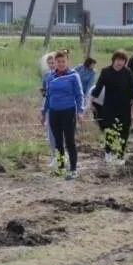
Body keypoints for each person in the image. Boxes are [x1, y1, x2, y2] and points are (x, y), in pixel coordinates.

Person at [42, 50, 85, 180]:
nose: (60, 64)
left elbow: (79, 94)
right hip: (54, 112)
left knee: (70, 140)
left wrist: (80, 111)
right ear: (54, 63)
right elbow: (48, 96)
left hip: (68, 111)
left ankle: (72, 169)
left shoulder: (73, 76)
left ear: (67, 62)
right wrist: (43, 113)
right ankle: (61, 168)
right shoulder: (50, 76)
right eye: (58, 62)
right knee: (58, 141)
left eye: (63, 61)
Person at [90, 50, 133, 164]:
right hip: (110, 105)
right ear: (113, 60)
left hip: (124, 106)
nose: (119, 63)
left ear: (125, 62)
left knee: (124, 130)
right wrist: (90, 102)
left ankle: (120, 155)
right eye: (117, 60)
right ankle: (108, 152)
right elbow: (98, 88)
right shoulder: (106, 71)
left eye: (122, 60)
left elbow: (132, 90)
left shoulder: (127, 72)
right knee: (110, 130)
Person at [39, 54, 58, 166]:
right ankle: (53, 156)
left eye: (53, 63)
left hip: (63, 106)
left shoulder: (67, 75)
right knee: (50, 133)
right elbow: (45, 93)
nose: (51, 65)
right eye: (49, 63)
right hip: (50, 105)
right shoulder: (47, 75)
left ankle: (62, 155)